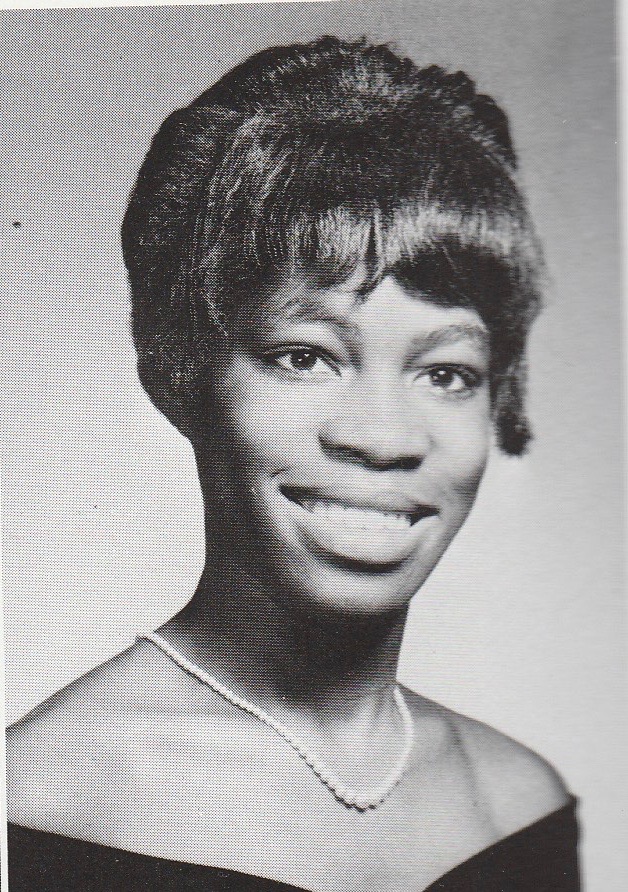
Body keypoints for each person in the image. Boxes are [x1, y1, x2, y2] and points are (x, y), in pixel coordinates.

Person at [6, 36, 579, 891]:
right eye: (306, 356)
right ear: (179, 373)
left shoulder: (520, 802)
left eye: (445, 373)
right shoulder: (33, 802)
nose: (384, 437)